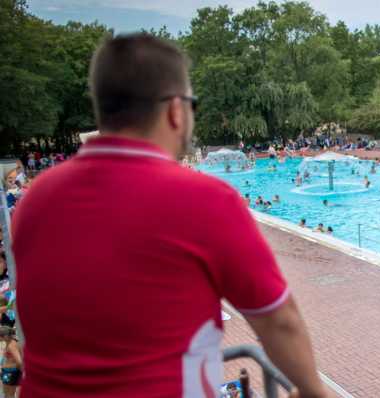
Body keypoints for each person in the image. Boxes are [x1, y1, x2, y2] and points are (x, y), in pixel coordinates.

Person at [11, 34, 326, 398]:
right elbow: (279, 320)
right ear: (176, 110)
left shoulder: (34, 200)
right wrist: (315, 390)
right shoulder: (204, 200)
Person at [0, 327, 21, 398]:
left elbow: (19, 362)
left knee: (8, 394)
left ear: (4, 336)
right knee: (9, 394)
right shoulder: (13, 342)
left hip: (9, 372)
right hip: (11, 372)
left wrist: (8, 368)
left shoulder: (11, 346)